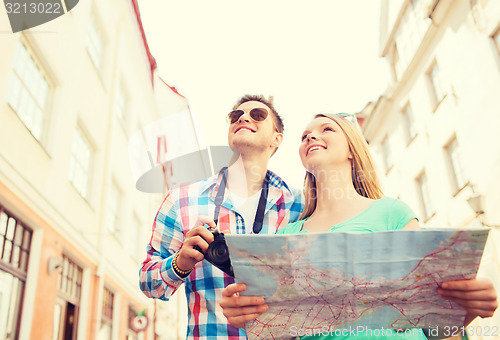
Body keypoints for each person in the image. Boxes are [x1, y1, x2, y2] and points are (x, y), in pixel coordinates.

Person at [220, 113, 498, 339]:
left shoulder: (393, 213)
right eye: (304, 136)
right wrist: (250, 320)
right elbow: (282, 334)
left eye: (326, 128)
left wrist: (468, 310)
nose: (311, 137)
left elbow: (435, 328)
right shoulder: (286, 236)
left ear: (352, 149)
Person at [139, 94, 304, 340]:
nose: (244, 117)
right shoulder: (182, 200)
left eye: (258, 115)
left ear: (276, 138)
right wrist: (181, 263)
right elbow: (148, 283)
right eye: (236, 116)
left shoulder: (300, 205)